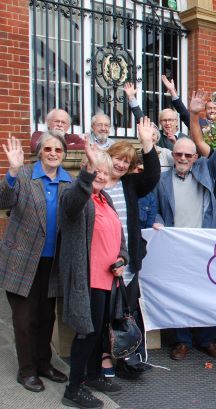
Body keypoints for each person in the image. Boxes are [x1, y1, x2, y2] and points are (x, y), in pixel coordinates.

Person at [154, 91, 216, 361]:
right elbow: (156, 208)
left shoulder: (206, 170)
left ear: (194, 157)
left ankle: (208, 339)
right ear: (173, 155)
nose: (182, 158)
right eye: (178, 154)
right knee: (180, 293)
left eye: (188, 155)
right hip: (177, 245)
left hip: (205, 243)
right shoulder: (163, 180)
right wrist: (157, 220)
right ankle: (182, 341)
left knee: (208, 292)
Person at [0, 134, 71, 392]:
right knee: (24, 319)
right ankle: (26, 370)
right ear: (40, 152)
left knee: (45, 318)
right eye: (48, 149)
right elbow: (3, 201)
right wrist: (12, 171)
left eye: (58, 150)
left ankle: (44, 364)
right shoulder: (24, 175)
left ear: (63, 153)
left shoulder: (68, 182)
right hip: (21, 261)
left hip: (51, 263)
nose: (53, 153)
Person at [59, 144, 128, 408]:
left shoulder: (105, 199)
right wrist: (87, 173)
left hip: (107, 277)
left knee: (99, 332)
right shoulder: (76, 196)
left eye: (104, 171)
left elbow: (118, 239)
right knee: (87, 334)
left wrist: (123, 259)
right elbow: (74, 201)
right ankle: (73, 390)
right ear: (88, 171)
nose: (100, 175)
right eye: (95, 171)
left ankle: (94, 374)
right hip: (87, 279)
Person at [103, 118, 160, 378]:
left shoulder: (129, 184)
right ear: (108, 157)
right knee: (103, 313)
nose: (121, 164)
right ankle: (103, 362)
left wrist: (147, 143)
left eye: (126, 161)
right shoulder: (95, 184)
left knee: (126, 313)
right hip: (102, 262)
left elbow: (152, 176)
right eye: (118, 158)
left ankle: (126, 359)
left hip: (128, 261)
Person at [123, 82, 190, 151]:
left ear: (176, 122)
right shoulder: (156, 135)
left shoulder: (186, 139)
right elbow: (142, 119)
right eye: (164, 120)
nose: (167, 123)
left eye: (170, 120)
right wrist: (131, 97)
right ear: (160, 122)